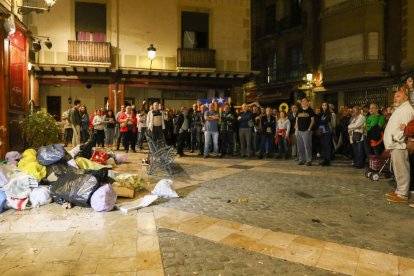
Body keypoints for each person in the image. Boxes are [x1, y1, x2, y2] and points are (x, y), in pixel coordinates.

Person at [385, 87, 414, 203]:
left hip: (399, 144)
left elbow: (406, 127)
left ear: (406, 97)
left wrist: (397, 139)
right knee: (397, 169)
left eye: (398, 96)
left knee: (402, 169)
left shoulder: (406, 109)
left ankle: (403, 194)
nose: (395, 97)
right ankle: (399, 191)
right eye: (394, 96)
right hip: (395, 144)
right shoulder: (401, 108)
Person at [295, 97, 315, 166]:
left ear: (307, 102)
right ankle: (301, 160)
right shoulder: (299, 111)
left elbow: (312, 120)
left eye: (304, 101)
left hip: (306, 131)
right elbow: (297, 120)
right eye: (302, 101)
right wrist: (296, 128)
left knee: (307, 146)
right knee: (300, 146)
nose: (302, 102)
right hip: (299, 131)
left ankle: (308, 160)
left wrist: (309, 129)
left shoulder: (310, 110)